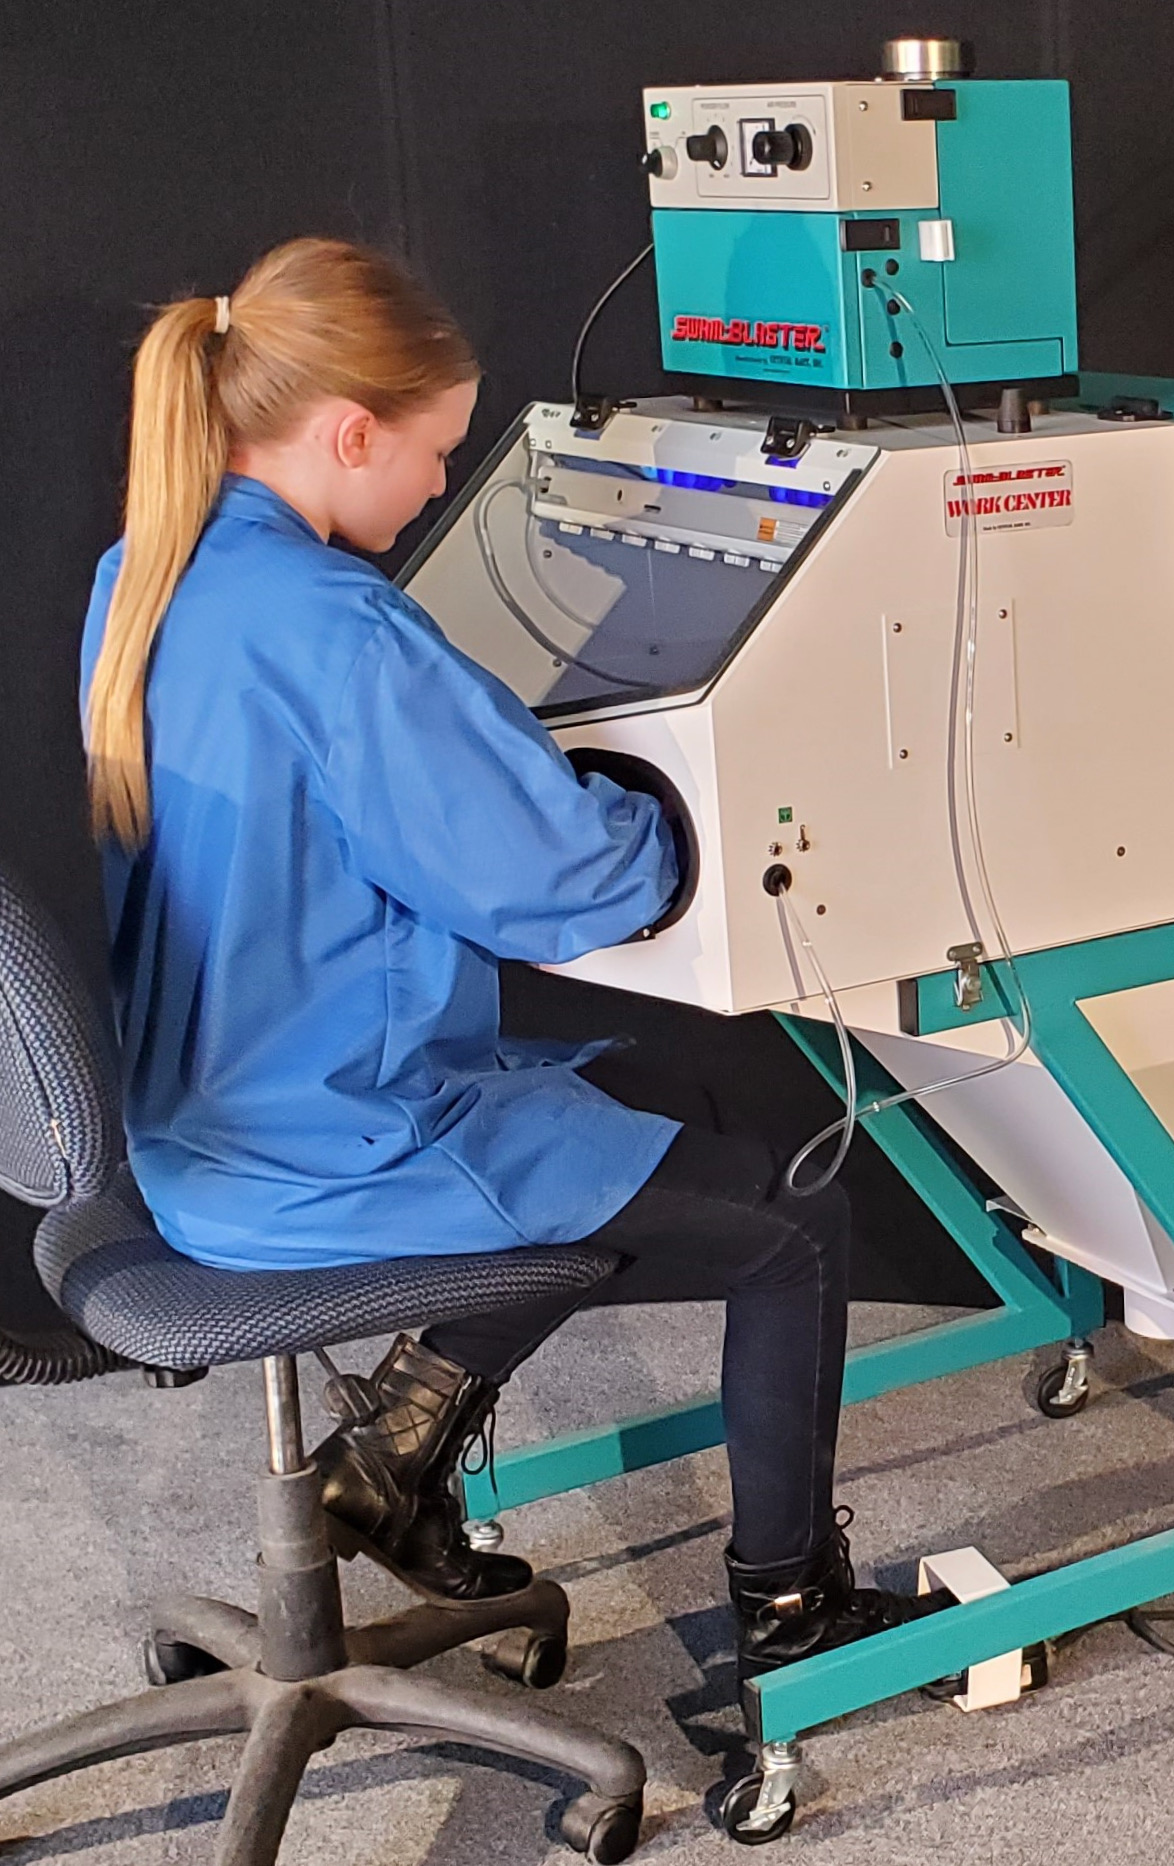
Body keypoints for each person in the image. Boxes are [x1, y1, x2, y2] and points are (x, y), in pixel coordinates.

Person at [80, 237, 946, 1702]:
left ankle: (391, 1462)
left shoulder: (147, 569)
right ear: (350, 432)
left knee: (625, 1124)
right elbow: (563, 884)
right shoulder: (341, 628)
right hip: (330, 1147)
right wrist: (683, 816)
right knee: (795, 1217)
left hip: (206, 1128)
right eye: (435, 451)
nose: (438, 488)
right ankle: (791, 1606)